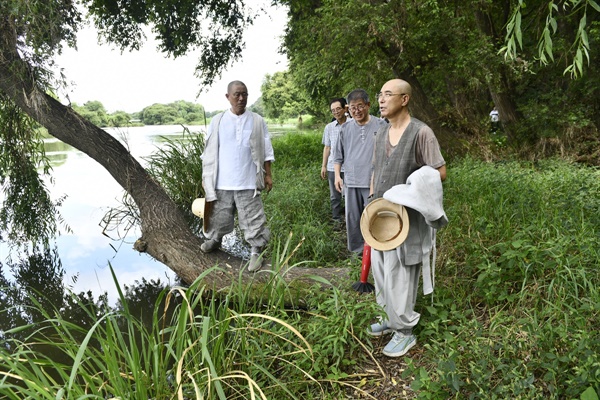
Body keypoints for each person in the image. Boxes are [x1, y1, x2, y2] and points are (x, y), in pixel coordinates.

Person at [368, 78, 447, 357]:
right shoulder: (380, 133)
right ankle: (389, 319)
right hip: (379, 216)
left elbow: (439, 172)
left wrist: (407, 189)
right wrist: (370, 204)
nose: (381, 99)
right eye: (380, 94)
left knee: (400, 272)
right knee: (380, 269)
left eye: (388, 94)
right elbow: (377, 172)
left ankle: (405, 331)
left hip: (407, 219)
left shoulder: (421, 132)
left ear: (404, 99)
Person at [200, 80, 274, 272]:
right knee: (219, 216)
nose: (241, 98)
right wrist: (206, 178)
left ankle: (256, 251)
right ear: (228, 97)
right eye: (237, 94)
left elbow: (266, 149)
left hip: (248, 180)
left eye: (244, 94)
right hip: (222, 181)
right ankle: (215, 240)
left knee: (253, 219)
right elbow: (208, 151)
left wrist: (268, 175)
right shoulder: (217, 120)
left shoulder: (257, 120)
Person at [333, 89, 387, 254]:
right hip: (351, 181)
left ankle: (376, 251)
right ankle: (357, 253)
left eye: (360, 106)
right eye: (353, 108)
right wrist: (337, 176)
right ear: (348, 109)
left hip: (374, 182)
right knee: (353, 219)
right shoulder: (345, 128)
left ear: (368, 105)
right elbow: (337, 156)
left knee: (374, 217)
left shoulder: (381, 125)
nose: (357, 111)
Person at [321, 97, 349, 226]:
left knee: (350, 196)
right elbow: (327, 147)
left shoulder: (354, 124)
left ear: (345, 108)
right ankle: (337, 219)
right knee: (334, 196)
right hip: (333, 167)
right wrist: (324, 166)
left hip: (350, 167)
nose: (336, 112)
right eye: (333, 110)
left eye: (338, 109)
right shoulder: (329, 127)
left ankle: (351, 220)